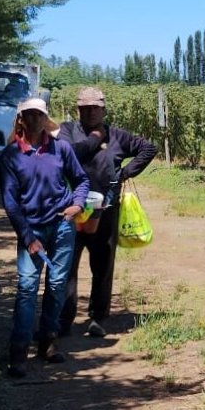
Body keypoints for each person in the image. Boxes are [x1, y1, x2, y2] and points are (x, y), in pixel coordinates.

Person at [57, 86, 157, 339]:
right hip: (71, 209)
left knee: (102, 264)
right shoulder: (67, 131)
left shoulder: (118, 136)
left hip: (105, 210)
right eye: (85, 108)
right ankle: (64, 319)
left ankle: (98, 318)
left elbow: (148, 149)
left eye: (95, 108)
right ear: (77, 109)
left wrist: (124, 173)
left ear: (103, 109)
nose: (90, 112)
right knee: (67, 265)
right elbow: (71, 153)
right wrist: (95, 138)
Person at [0, 97, 89, 377]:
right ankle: (19, 350)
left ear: (45, 119)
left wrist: (78, 203)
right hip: (31, 227)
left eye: (40, 115)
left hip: (62, 225)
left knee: (57, 283)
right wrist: (27, 237)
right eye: (30, 115)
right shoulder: (11, 155)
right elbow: (11, 202)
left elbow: (81, 180)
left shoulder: (60, 148)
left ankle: (48, 341)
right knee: (27, 287)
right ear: (21, 120)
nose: (36, 119)